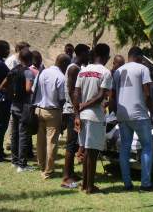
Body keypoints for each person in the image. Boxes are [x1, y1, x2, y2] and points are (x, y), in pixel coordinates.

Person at [112, 46, 153, 192]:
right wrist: (152, 113)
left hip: (123, 114)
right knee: (147, 146)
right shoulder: (142, 69)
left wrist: (115, 112)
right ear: (139, 57)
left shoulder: (118, 71)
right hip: (139, 114)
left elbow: (113, 94)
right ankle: (145, 184)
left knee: (125, 147)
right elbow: (147, 94)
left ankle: (127, 184)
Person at [73, 43, 112, 194]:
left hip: (82, 117)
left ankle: (84, 184)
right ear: (105, 56)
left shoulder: (83, 71)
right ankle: (90, 186)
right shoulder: (105, 72)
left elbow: (76, 94)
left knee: (86, 152)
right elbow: (102, 95)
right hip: (95, 116)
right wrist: (85, 106)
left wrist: (77, 113)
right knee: (92, 153)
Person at [33, 54, 71, 180]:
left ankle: (41, 165)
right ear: (64, 64)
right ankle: (48, 171)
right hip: (53, 111)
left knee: (40, 141)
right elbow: (61, 99)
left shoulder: (43, 72)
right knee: (52, 142)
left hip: (40, 110)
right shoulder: (61, 77)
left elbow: (35, 90)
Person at [0, 49, 35, 172]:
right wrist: (34, 94)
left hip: (13, 106)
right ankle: (22, 164)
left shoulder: (13, 71)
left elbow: (1, 86)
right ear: (30, 60)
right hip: (24, 106)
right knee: (23, 135)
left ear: (19, 58)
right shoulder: (28, 72)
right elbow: (28, 89)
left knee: (14, 135)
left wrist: (11, 94)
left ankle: (14, 161)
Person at [61, 44, 91, 189]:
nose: (89, 56)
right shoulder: (74, 68)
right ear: (82, 53)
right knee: (71, 145)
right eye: (88, 53)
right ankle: (66, 177)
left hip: (74, 110)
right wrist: (77, 113)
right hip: (72, 111)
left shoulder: (77, 68)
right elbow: (73, 92)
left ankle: (71, 173)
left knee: (74, 144)